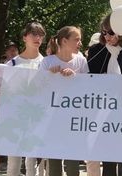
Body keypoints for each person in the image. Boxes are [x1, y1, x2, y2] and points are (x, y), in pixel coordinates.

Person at [87, 14, 122, 176]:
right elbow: (87, 78)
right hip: (102, 111)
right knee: (108, 157)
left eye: (111, 32)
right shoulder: (95, 51)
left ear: (121, 32)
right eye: (104, 33)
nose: (107, 36)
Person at [39, 26, 88, 176]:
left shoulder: (81, 61)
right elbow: (39, 90)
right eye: (77, 39)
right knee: (54, 162)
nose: (80, 43)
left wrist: (76, 78)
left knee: (73, 162)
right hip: (51, 120)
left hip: (74, 119)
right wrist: (49, 76)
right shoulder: (47, 62)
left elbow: (89, 87)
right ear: (64, 41)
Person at [7, 21, 46, 176]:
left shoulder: (47, 63)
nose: (38, 38)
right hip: (16, 119)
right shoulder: (12, 64)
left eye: (41, 35)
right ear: (24, 37)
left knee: (36, 166)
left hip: (39, 118)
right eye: (34, 34)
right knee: (13, 164)